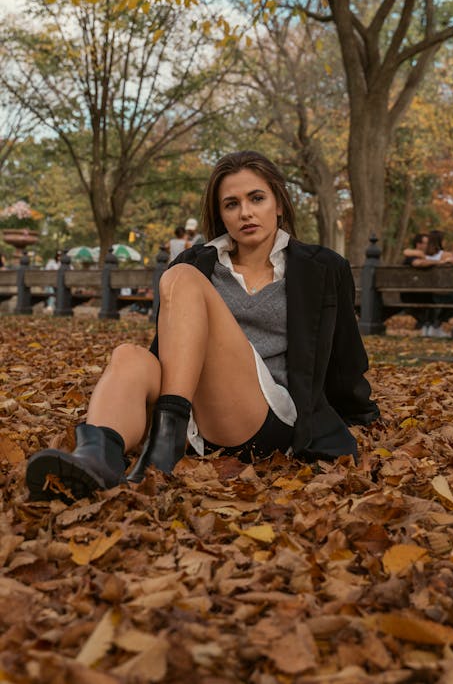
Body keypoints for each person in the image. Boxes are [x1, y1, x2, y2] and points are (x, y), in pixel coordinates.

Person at [25, 151, 379, 503]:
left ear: (279, 204)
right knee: (129, 356)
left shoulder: (321, 267)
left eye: (257, 198)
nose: (245, 212)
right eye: (231, 204)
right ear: (220, 214)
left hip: (265, 416)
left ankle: (164, 444)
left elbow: (345, 353)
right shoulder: (199, 261)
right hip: (196, 410)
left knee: (182, 277)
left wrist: (359, 414)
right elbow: (171, 347)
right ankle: (95, 461)